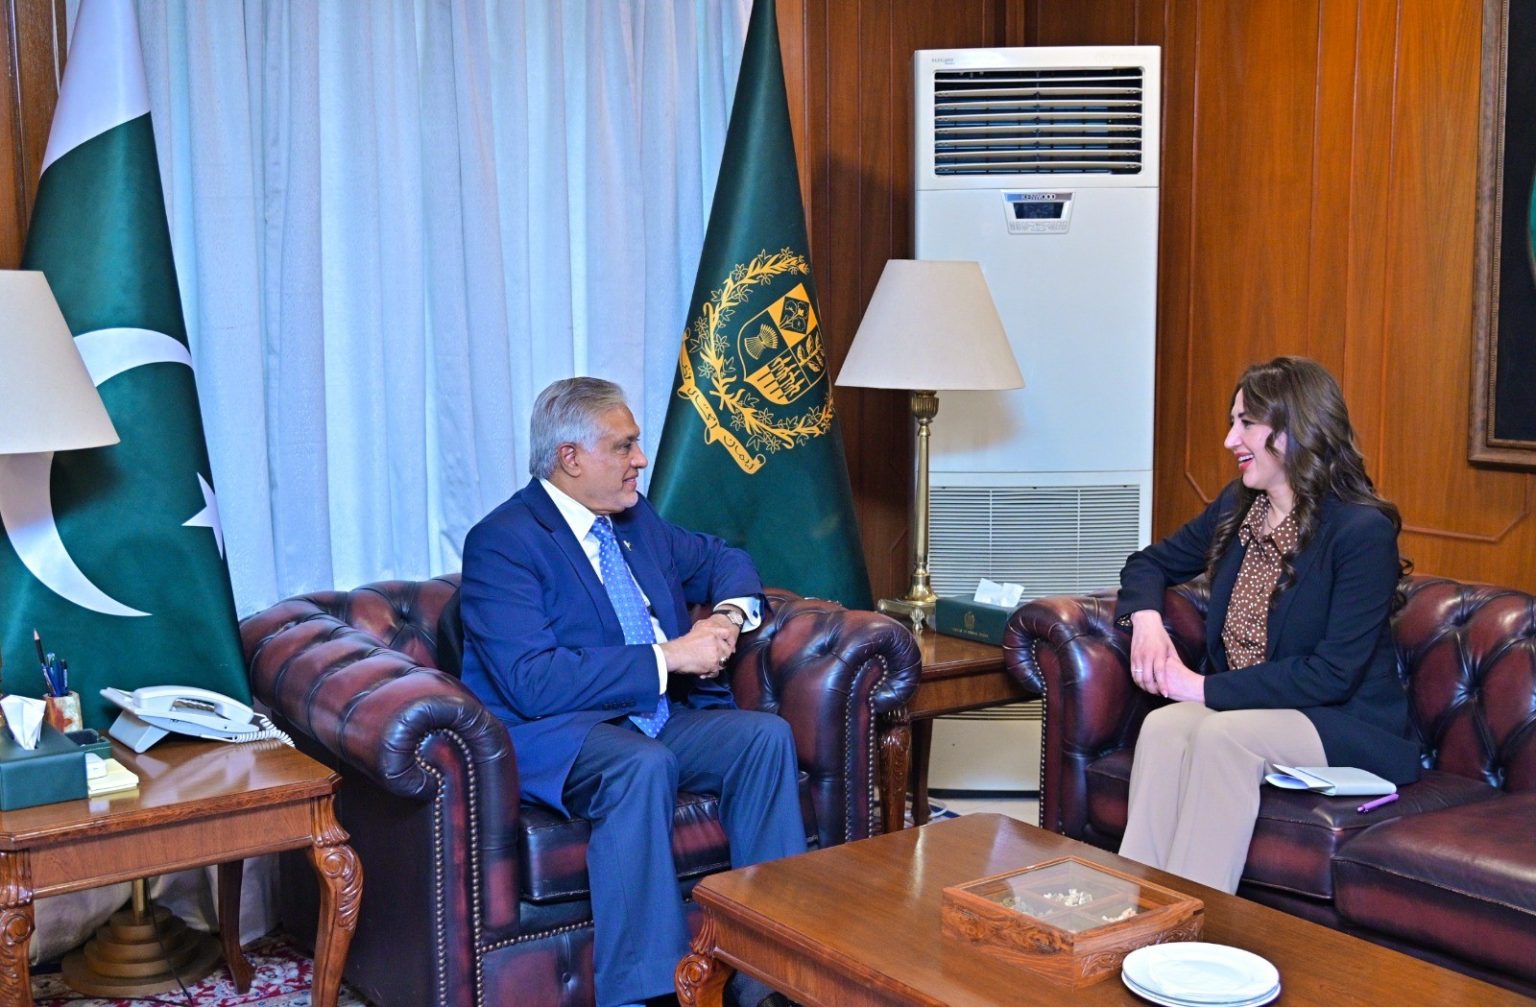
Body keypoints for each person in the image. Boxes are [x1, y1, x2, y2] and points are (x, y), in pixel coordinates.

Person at [459, 377, 805, 1007]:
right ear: (570, 457)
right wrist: (669, 656)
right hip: (560, 732)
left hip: (654, 714)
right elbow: (532, 681)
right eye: (624, 446)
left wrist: (727, 618)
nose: (640, 460)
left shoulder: (636, 519)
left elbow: (723, 559)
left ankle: (771, 977)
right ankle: (651, 993)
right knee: (640, 765)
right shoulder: (503, 542)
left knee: (763, 738)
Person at [1114, 356, 1419, 894]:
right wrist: (1147, 622)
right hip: (1254, 708)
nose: (1231, 439)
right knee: (1163, 727)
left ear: (1296, 427)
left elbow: (1331, 675)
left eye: (1247, 423)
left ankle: (1191, 924)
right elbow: (1148, 564)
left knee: (1223, 736)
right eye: (1232, 422)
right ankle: (1135, 907)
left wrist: (1199, 687)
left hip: (1343, 721)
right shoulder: (1239, 507)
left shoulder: (1361, 531)